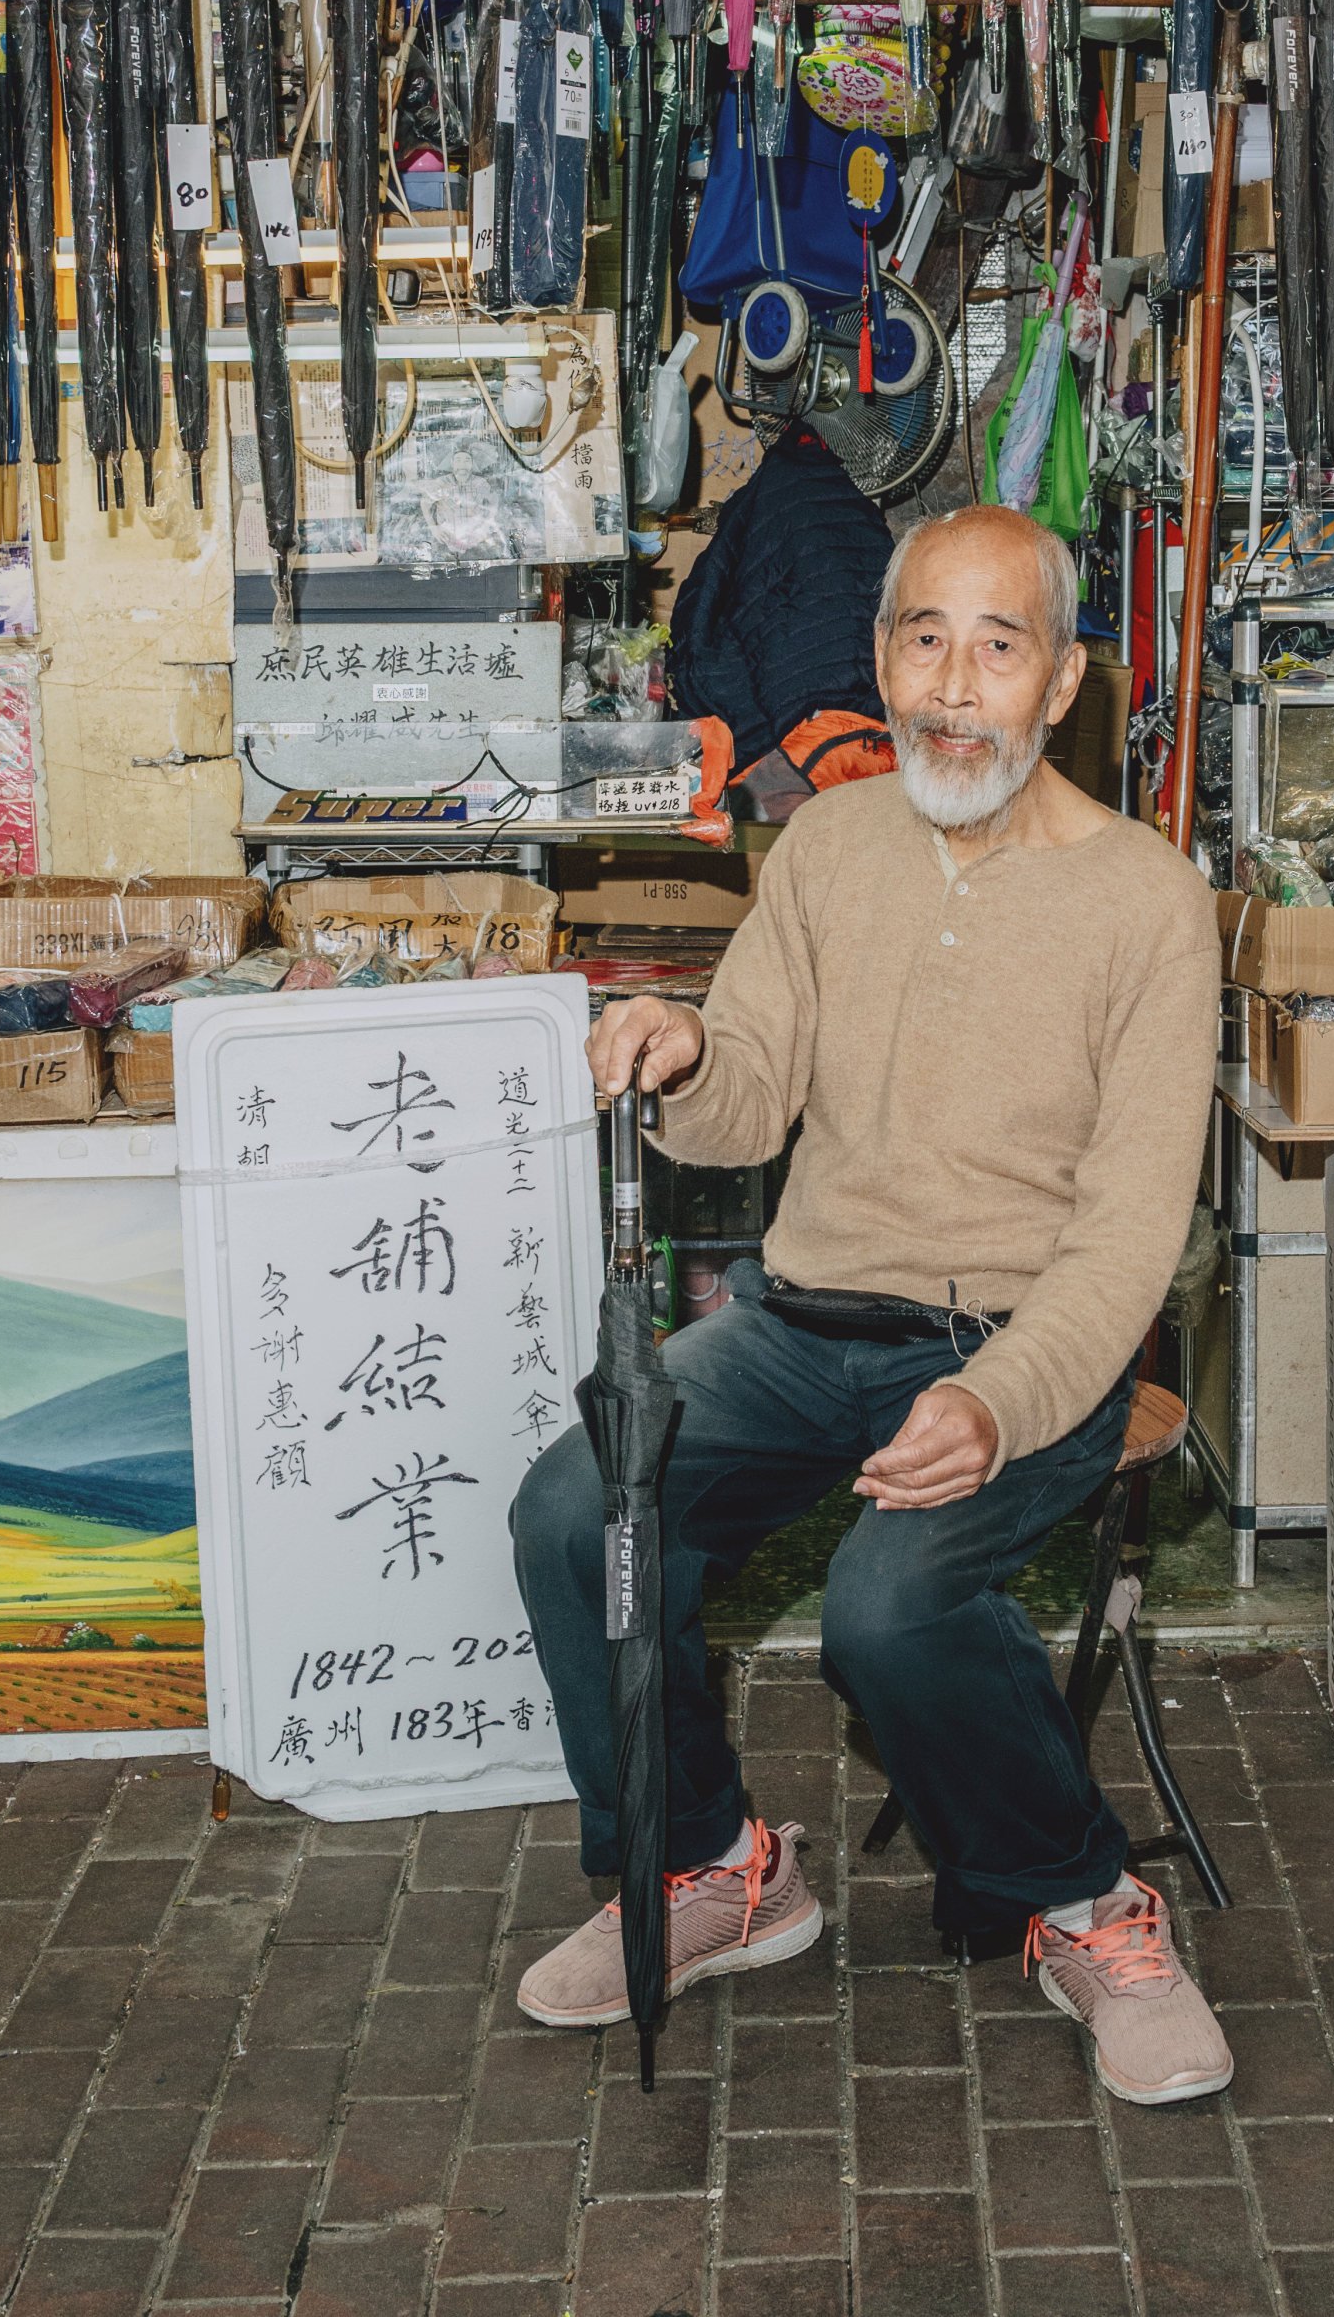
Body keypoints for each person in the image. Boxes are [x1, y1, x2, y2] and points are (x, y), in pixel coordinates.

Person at [510, 503, 1233, 2107]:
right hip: (806, 1319)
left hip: (1030, 1344)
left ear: (1062, 685)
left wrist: (998, 1400)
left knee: (889, 1607)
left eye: (999, 644)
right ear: (882, 656)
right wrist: (692, 1054)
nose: (954, 684)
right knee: (578, 1509)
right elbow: (750, 1098)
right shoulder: (830, 847)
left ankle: (1083, 1902)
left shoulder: (1147, 901)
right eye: (924, 637)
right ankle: (713, 1867)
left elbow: (1128, 1239)